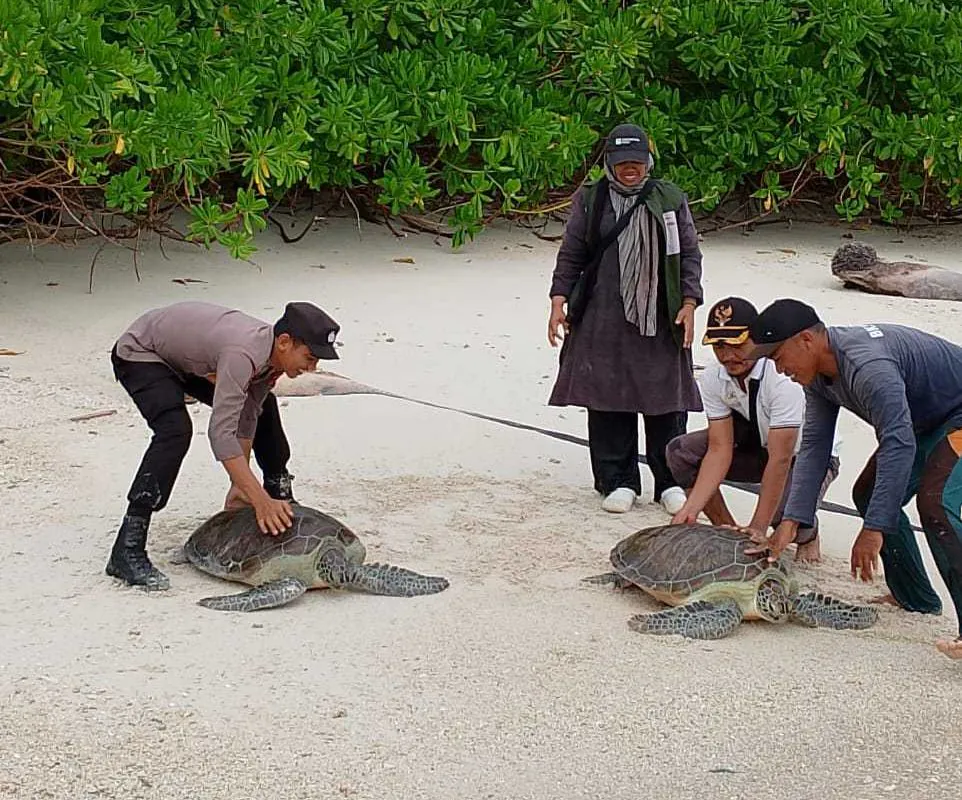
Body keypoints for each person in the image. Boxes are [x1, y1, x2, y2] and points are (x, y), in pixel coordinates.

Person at [743, 298, 962, 661]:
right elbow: (814, 447)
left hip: (955, 415)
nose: (779, 370)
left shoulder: (868, 367)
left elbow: (898, 441)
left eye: (778, 356)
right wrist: (791, 522)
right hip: (926, 420)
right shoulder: (817, 378)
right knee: (869, 493)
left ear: (806, 341)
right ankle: (916, 598)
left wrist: (874, 529)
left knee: (936, 503)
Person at [106, 300, 340, 591]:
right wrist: (258, 499)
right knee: (174, 430)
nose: (312, 367)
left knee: (263, 407)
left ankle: (280, 494)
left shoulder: (270, 359)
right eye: (309, 357)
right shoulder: (243, 355)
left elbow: (246, 416)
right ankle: (127, 548)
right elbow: (221, 433)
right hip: (142, 353)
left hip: (184, 358)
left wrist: (241, 486)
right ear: (284, 342)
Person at [546, 122, 704, 515]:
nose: (629, 168)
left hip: (660, 315)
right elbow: (571, 253)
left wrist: (689, 302)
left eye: (636, 161)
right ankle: (617, 480)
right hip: (602, 314)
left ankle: (669, 481)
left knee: (665, 399)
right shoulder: (590, 199)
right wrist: (557, 301)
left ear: (648, 161)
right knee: (607, 397)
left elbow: (688, 254)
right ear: (609, 163)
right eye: (621, 161)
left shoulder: (669, 198)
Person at [665, 296, 841, 561]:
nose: (727, 355)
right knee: (681, 452)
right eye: (719, 346)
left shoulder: (781, 376)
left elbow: (781, 459)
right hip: (760, 446)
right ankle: (729, 533)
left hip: (805, 456)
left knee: (783, 514)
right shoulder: (714, 377)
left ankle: (808, 533)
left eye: (737, 344)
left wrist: (759, 526)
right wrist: (689, 511)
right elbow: (719, 448)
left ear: (756, 340)